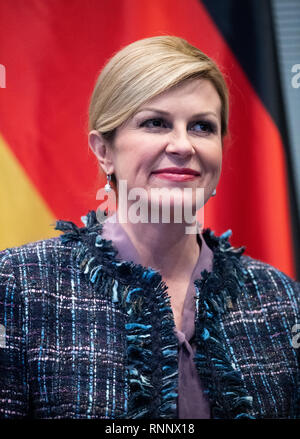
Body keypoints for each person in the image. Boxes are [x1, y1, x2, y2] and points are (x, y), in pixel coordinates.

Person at [0, 35, 300, 420]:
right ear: (104, 151)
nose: (182, 145)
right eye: (156, 123)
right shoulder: (18, 287)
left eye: (202, 127)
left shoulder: (280, 299)